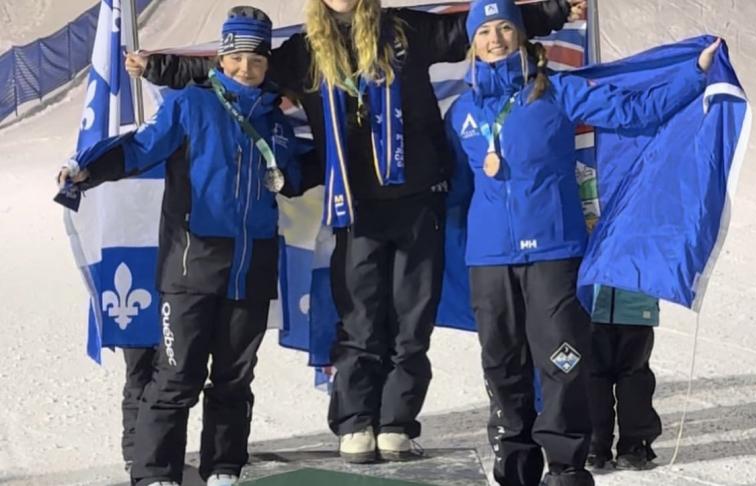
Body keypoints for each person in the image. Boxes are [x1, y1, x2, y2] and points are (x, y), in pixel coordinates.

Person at [126, 0, 584, 464]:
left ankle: (396, 422)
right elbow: (236, 70)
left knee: (411, 322)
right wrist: (161, 67)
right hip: (354, 207)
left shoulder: (403, 31)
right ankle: (355, 421)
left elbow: (476, 26)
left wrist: (555, 10)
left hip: (417, 199)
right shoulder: (303, 53)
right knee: (361, 320)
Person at [444, 1, 720, 484]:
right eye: (485, 30)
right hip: (489, 260)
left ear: (521, 34)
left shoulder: (557, 90)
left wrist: (694, 75)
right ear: (472, 42)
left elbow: (633, 112)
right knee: (502, 364)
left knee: (563, 359)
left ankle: (566, 466)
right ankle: (514, 463)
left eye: (505, 27)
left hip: (554, 250)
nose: (495, 38)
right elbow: (455, 192)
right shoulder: (461, 111)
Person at [57, 7, 318, 486]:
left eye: (256, 61)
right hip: (191, 266)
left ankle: (223, 467)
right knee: (177, 377)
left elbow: (297, 174)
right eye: (237, 58)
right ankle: (156, 473)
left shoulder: (277, 118)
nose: (246, 69)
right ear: (221, 58)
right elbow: (139, 150)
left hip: (252, 264)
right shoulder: (190, 105)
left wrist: (296, 176)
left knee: (235, 380)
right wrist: (88, 169)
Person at [587, 287, 662, 471]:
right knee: (595, 380)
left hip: (635, 312)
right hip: (598, 311)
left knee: (632, 381)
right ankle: (597, 443)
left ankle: (631, 444)